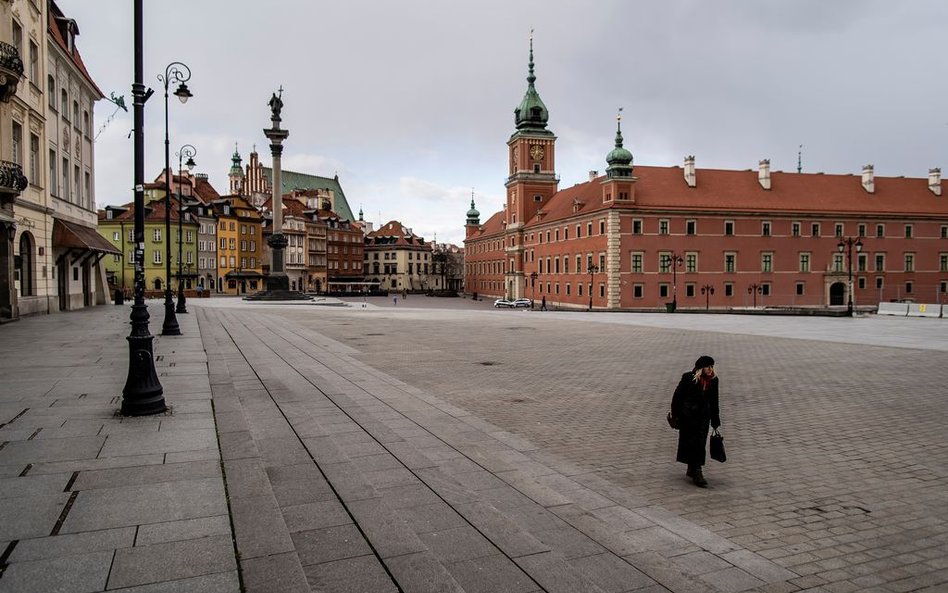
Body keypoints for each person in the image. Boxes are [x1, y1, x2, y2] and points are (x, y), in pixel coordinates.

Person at [670, 355, 721, 488]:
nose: (710, 369)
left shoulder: (714, 381)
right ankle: (696, 471)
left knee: (699, 443)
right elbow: (677, 396)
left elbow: (715, 401)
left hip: (704, 418)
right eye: (707, 367)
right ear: (700, 368)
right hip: (688, 417)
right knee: (691, 442)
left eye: (711, 366)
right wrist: (675, 415)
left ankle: (693, 469)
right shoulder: (688, 378)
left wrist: (715, 420)